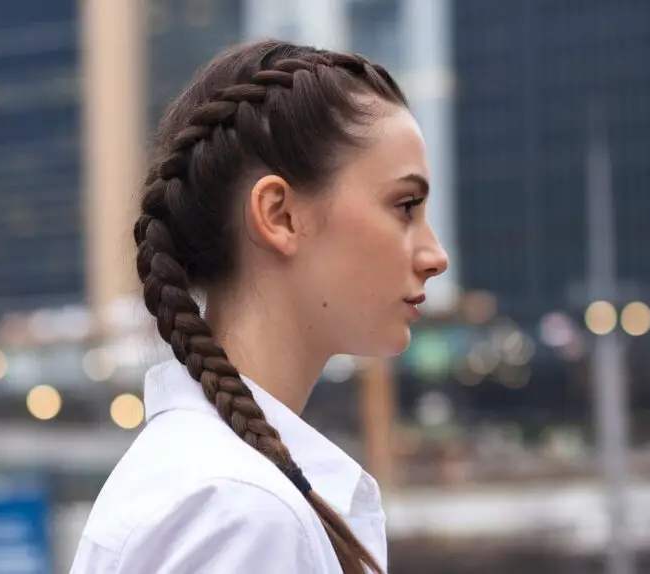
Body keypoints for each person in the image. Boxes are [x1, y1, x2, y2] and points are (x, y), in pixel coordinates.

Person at [70, 39, 448, 573]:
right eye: (405, 206)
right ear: (280, 215)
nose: (436, 255)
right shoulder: (243, 512)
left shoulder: (217, 488)